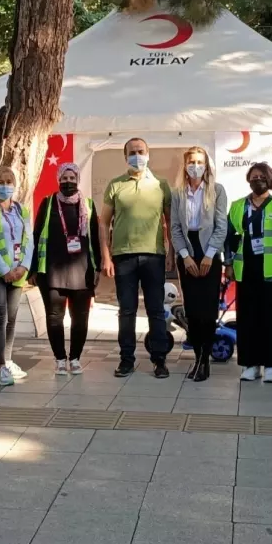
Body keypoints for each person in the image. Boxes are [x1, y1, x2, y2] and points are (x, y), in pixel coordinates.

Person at [100, 138, 173, 378]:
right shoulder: (115, 185)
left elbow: (170, 221)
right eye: (132, 152)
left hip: (154, 256)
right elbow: (104, 222)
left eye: (141, 151)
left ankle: (159, 360)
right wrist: (106, 256)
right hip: (123, 257)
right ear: (125, 157)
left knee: (156, 310)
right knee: (127, 310)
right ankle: (126, 360)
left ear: (149, 154)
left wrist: (170, 251)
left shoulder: (161, 185)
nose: (137, 155)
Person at [224, 163, 272, 382]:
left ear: (270, 180)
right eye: (254, 176)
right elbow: (229, 237)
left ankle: (271, 366)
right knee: (246, 319)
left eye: (261, 177)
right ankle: (250, 364)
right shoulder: (237, 206)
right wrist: (227, 264)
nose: (257, 180)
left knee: (271, 319)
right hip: (245, 271)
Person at [31, 163, 100, 372]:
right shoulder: (48, 202)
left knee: (80, 318)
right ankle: (60, 359)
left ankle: (75, 358)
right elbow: (37, 235)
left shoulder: (88, 204)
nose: (68, 182)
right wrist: (33, 269)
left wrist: (98, 267)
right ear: (58, 179)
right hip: (52, 272)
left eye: (72, 178)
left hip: (82, 270)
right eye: (64, 178)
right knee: (54, 317)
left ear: (77, 180)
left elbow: (95, 237)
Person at [169, 146, 228, 382]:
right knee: (192, 311)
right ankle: (197, 357)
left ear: (207, 165)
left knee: (207, 311)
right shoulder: (178, 193)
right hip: (188, 253)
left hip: (210, 254)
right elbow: (174, 228)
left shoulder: (217, 190)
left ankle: (205, 359)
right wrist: (185, 255)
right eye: (191, 162)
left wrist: (209, 255)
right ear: (185, 165)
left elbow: (221, 225)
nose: (196, 166)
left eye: (200, 162)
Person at [0, 166, 33, 385]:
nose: (5, 185)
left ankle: (9, 359)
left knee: (12, 319)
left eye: (9, 181)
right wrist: (5, 270)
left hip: (18, 271)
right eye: (1, 181)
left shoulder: (22, 210)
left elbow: (29, 239)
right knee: (0, 316)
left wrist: (24, 266)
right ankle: (0, 366)